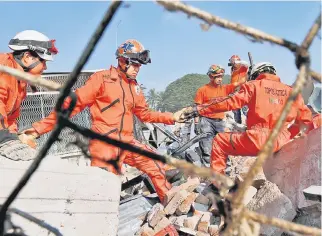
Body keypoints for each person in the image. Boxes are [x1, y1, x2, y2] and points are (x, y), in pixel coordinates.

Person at [21, 39, 184, 203]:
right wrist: (37, 130)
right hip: (104, 145)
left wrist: (172, 117)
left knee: (155, 163)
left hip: (127, 142)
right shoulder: (102, 79)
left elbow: (145, 114)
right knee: (104, 192)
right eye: (134, 65)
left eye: (139, 66)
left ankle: (170, 205)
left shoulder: (134, 87)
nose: (137, 70)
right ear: (122, 60)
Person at [181, 62, 312, 175]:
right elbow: (306, 119)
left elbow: (229, 102)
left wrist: (197, 109)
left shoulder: (254, 85)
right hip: (280, 141)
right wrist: (288, 135)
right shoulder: (291, 91)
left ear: (256, 74)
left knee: (220, 141)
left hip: (257, 141)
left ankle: (217, 185)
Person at [0, 30, 58, 161]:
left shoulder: (20, 81)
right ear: (27, 57)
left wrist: (15, 137)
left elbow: (10, 118)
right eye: (43, 61)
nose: (45, 68)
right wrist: (6, 140)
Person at [193, 64, 245, 167]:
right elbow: (196, 108)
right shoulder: (202, 90)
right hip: (206, 121)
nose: (220, 79)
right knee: (207, 146)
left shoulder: (225, 89)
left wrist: (245, 69)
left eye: (221, 76)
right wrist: (196, 123)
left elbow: (239, 83)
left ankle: (227, 168)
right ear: (211, 77)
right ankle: (208, 169)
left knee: (223, 145)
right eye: (217, 77)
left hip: (220, 121)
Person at [228, 55, 249, 124]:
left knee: (245, 110)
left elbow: (247, 64)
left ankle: (250, 124)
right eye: (231, 61)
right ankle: (238, 127)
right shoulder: (232, 69)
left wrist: (238, 61)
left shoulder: (244, 67)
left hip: (243, 92)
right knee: (236, 112)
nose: (233, 64)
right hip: (234, 93)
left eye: (233, 62)